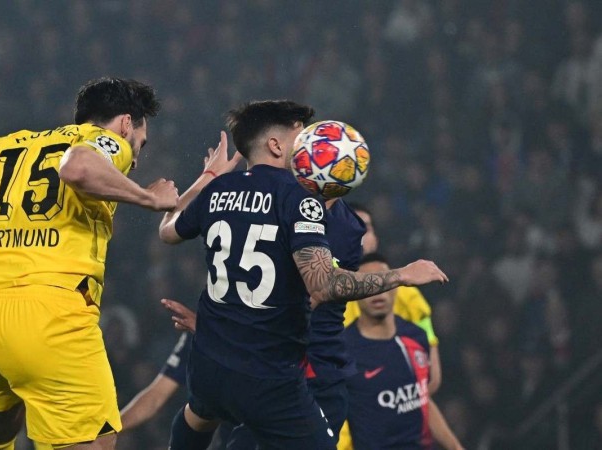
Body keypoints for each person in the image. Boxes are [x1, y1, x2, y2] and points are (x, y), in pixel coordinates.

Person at [158, 100, 448, 449]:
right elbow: (322, 285)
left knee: (198, 416)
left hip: (213, 364)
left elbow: (168, 230)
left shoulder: (219, 189)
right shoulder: (301, 199)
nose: (313, 141)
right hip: (279, 375)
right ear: (277, 145)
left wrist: (207, 177)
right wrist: (401, 274)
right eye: (303, 134)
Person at [0, 77, 179, 450]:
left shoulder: (5, 146)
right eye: (140, 143)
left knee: (0, 423)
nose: (136, 157)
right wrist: (147, 198)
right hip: (49, 316)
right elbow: (77, 167)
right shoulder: (104, 141)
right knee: (97, 441)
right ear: (126, 123)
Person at [339, 252, 464, 450]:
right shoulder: (341, 350)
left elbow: (421, 399)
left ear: (396, 287)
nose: (378, 291)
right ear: (356, 292)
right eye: (370, 283)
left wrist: (456, 447)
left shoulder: (415, 336)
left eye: (383, 282)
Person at [346, 202, 442, 394]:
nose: (359, 235)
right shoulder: (317, 292)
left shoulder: (409, 296)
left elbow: (430, 376)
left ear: (376, 238)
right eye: (349, 227)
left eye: (365, 228)